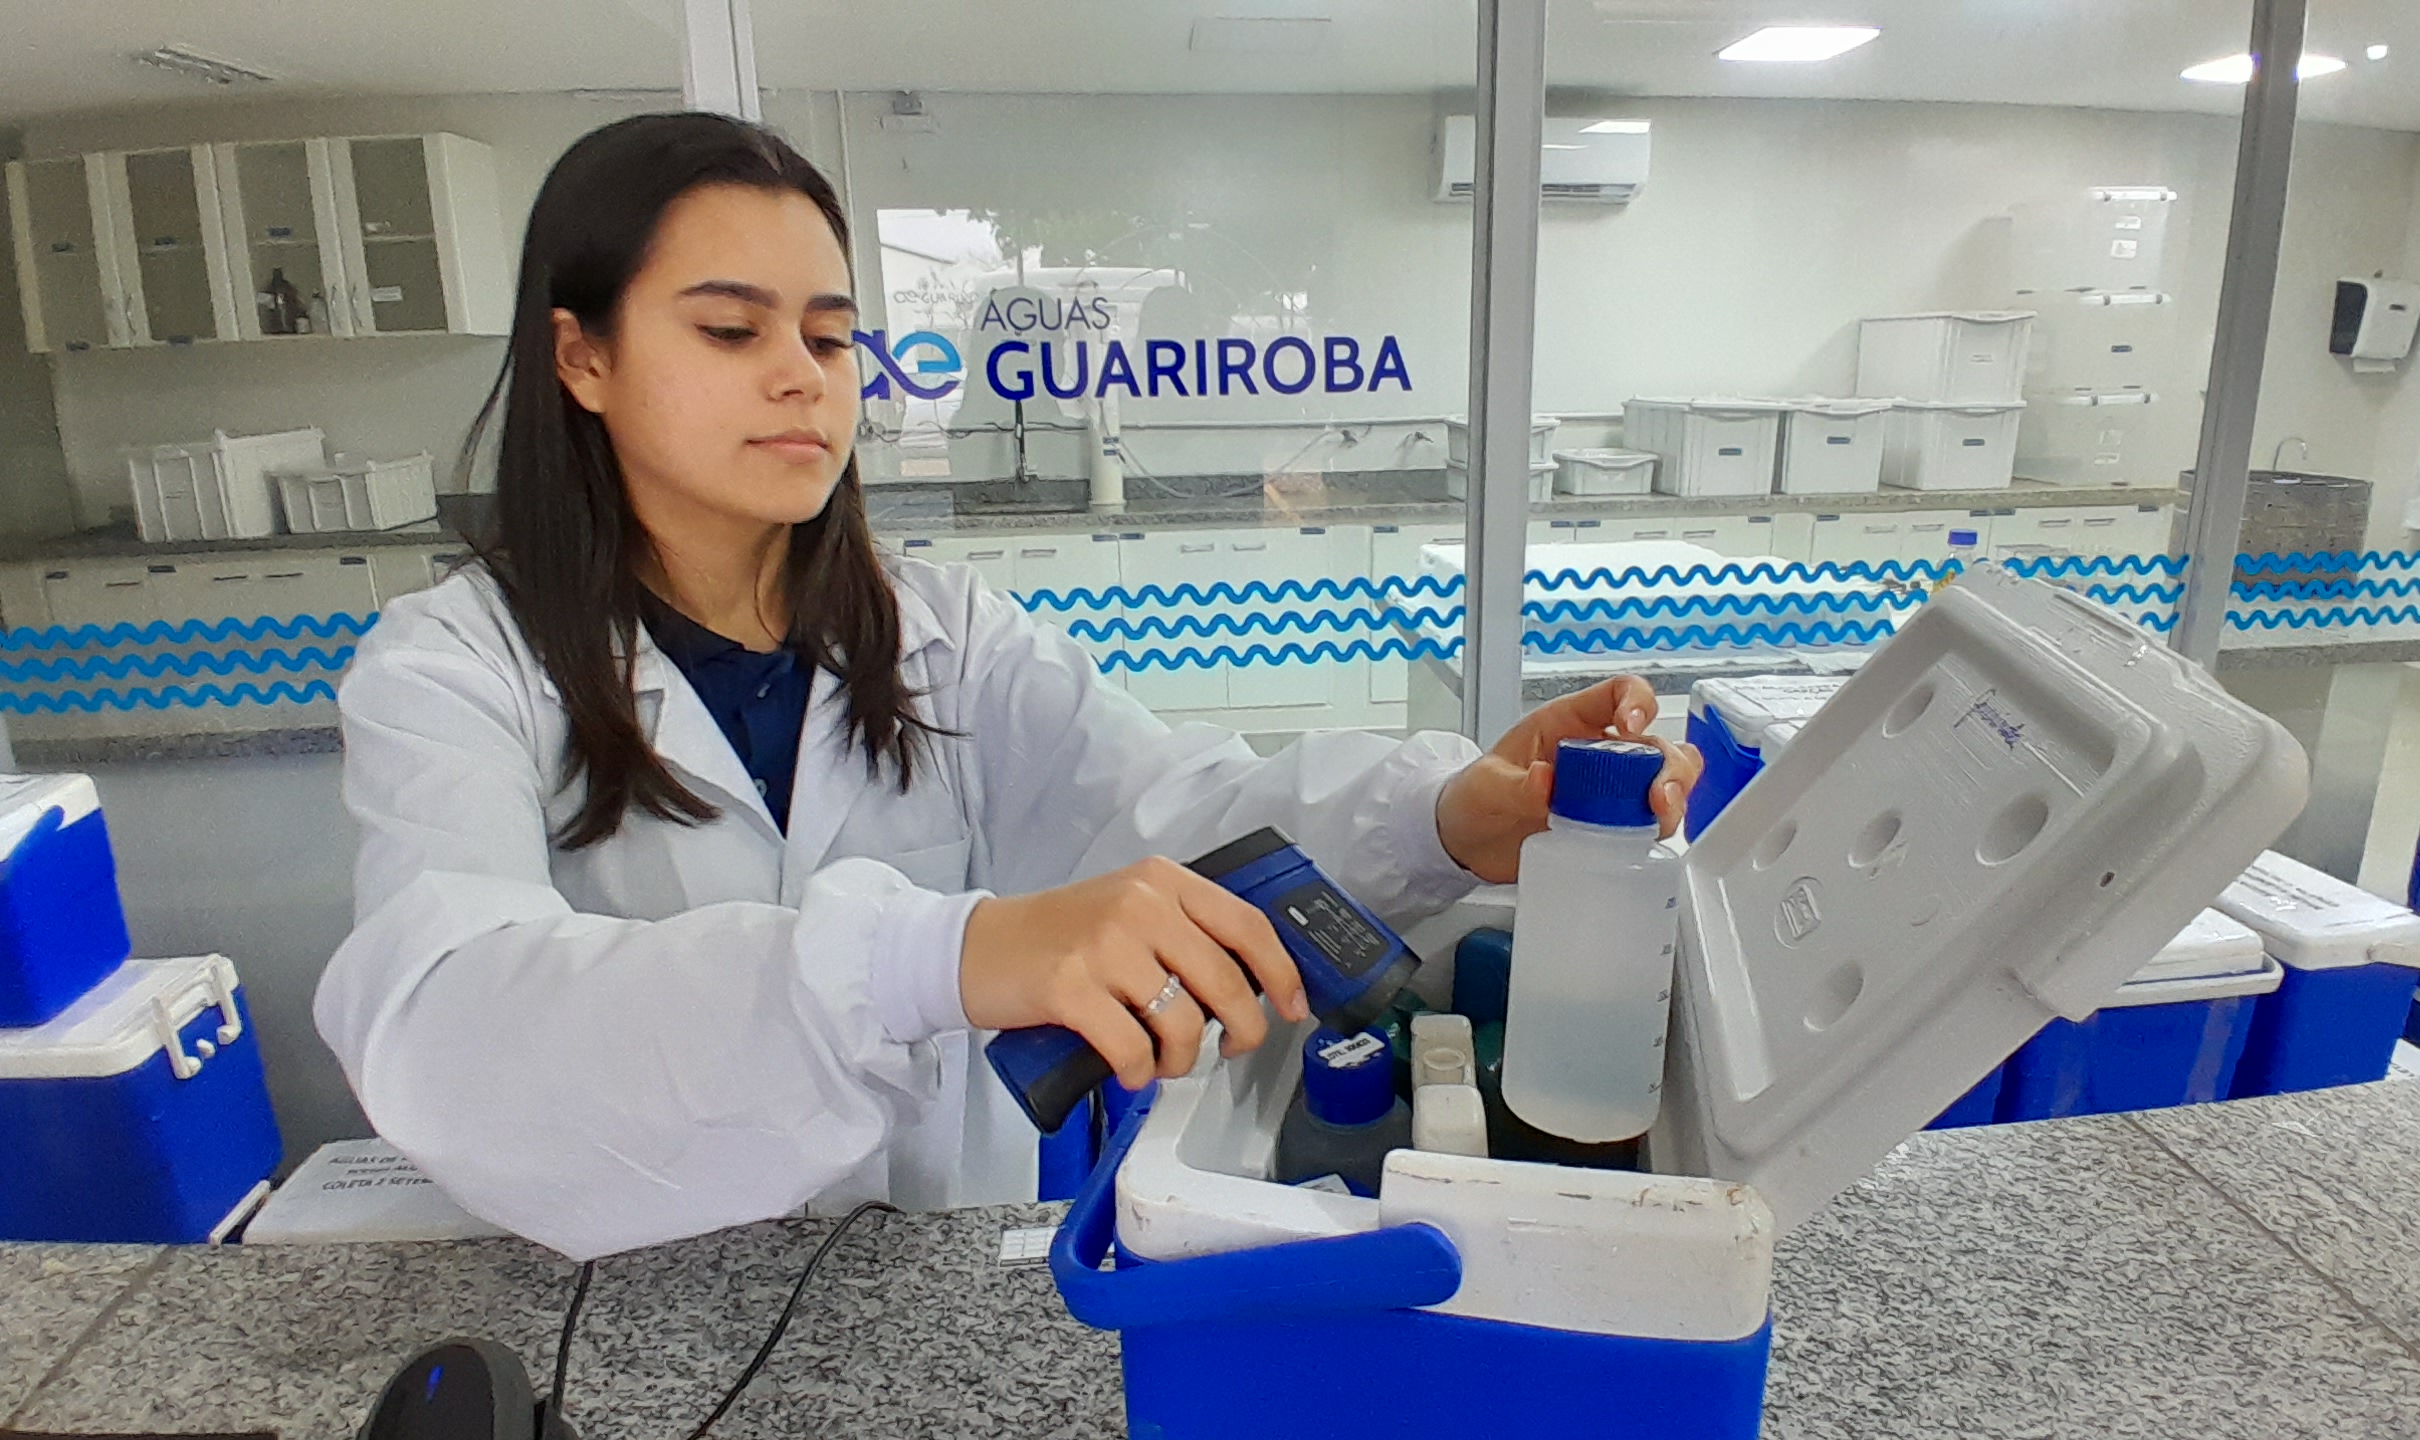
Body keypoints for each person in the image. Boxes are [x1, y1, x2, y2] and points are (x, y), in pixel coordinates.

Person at [313, 113, 1700, 1262]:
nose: (802, 380)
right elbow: (449, 1030)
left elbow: (1181, 820)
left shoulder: (939, 630)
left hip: (936, 1279)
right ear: (583, 356)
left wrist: (1451, 814)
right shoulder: (453, 669)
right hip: (638, 1303)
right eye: (732, 331)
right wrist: (937, 957)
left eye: (829, 337)